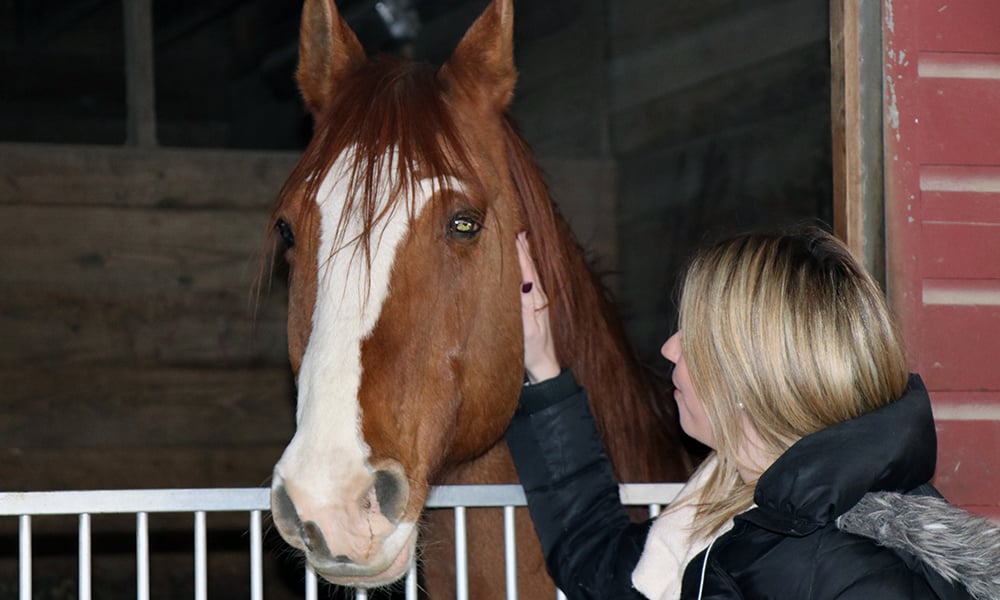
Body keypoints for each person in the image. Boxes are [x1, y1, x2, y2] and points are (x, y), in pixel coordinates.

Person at [507, 226, 999, 600]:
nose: (670, 348)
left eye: (695, 337)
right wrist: (543, 366)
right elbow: (601, 566)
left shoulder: (856, 574)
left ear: (750, 376)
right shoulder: (726, 505)